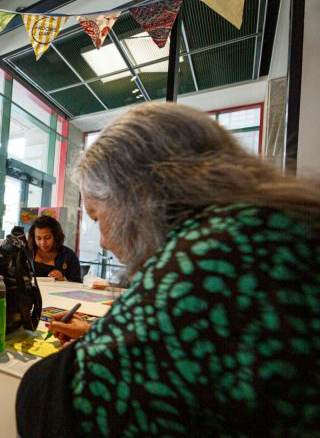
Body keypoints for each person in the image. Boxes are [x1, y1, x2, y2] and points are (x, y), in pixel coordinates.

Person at [16, 103, 320, 436]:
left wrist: (106, 344)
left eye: (98, 217)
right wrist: (102, 336)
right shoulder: (273, 231)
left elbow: (58, 403)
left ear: (137, 196)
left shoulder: (213, 258)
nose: (102, 241)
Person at [27, 215, 82, 282]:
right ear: (33, 237)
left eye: (47, 238)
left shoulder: (68, 255)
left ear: (56, 236)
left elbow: (77, 284)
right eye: (38, 238)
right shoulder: (27, 252)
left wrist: (64, 280)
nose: (42, 242)